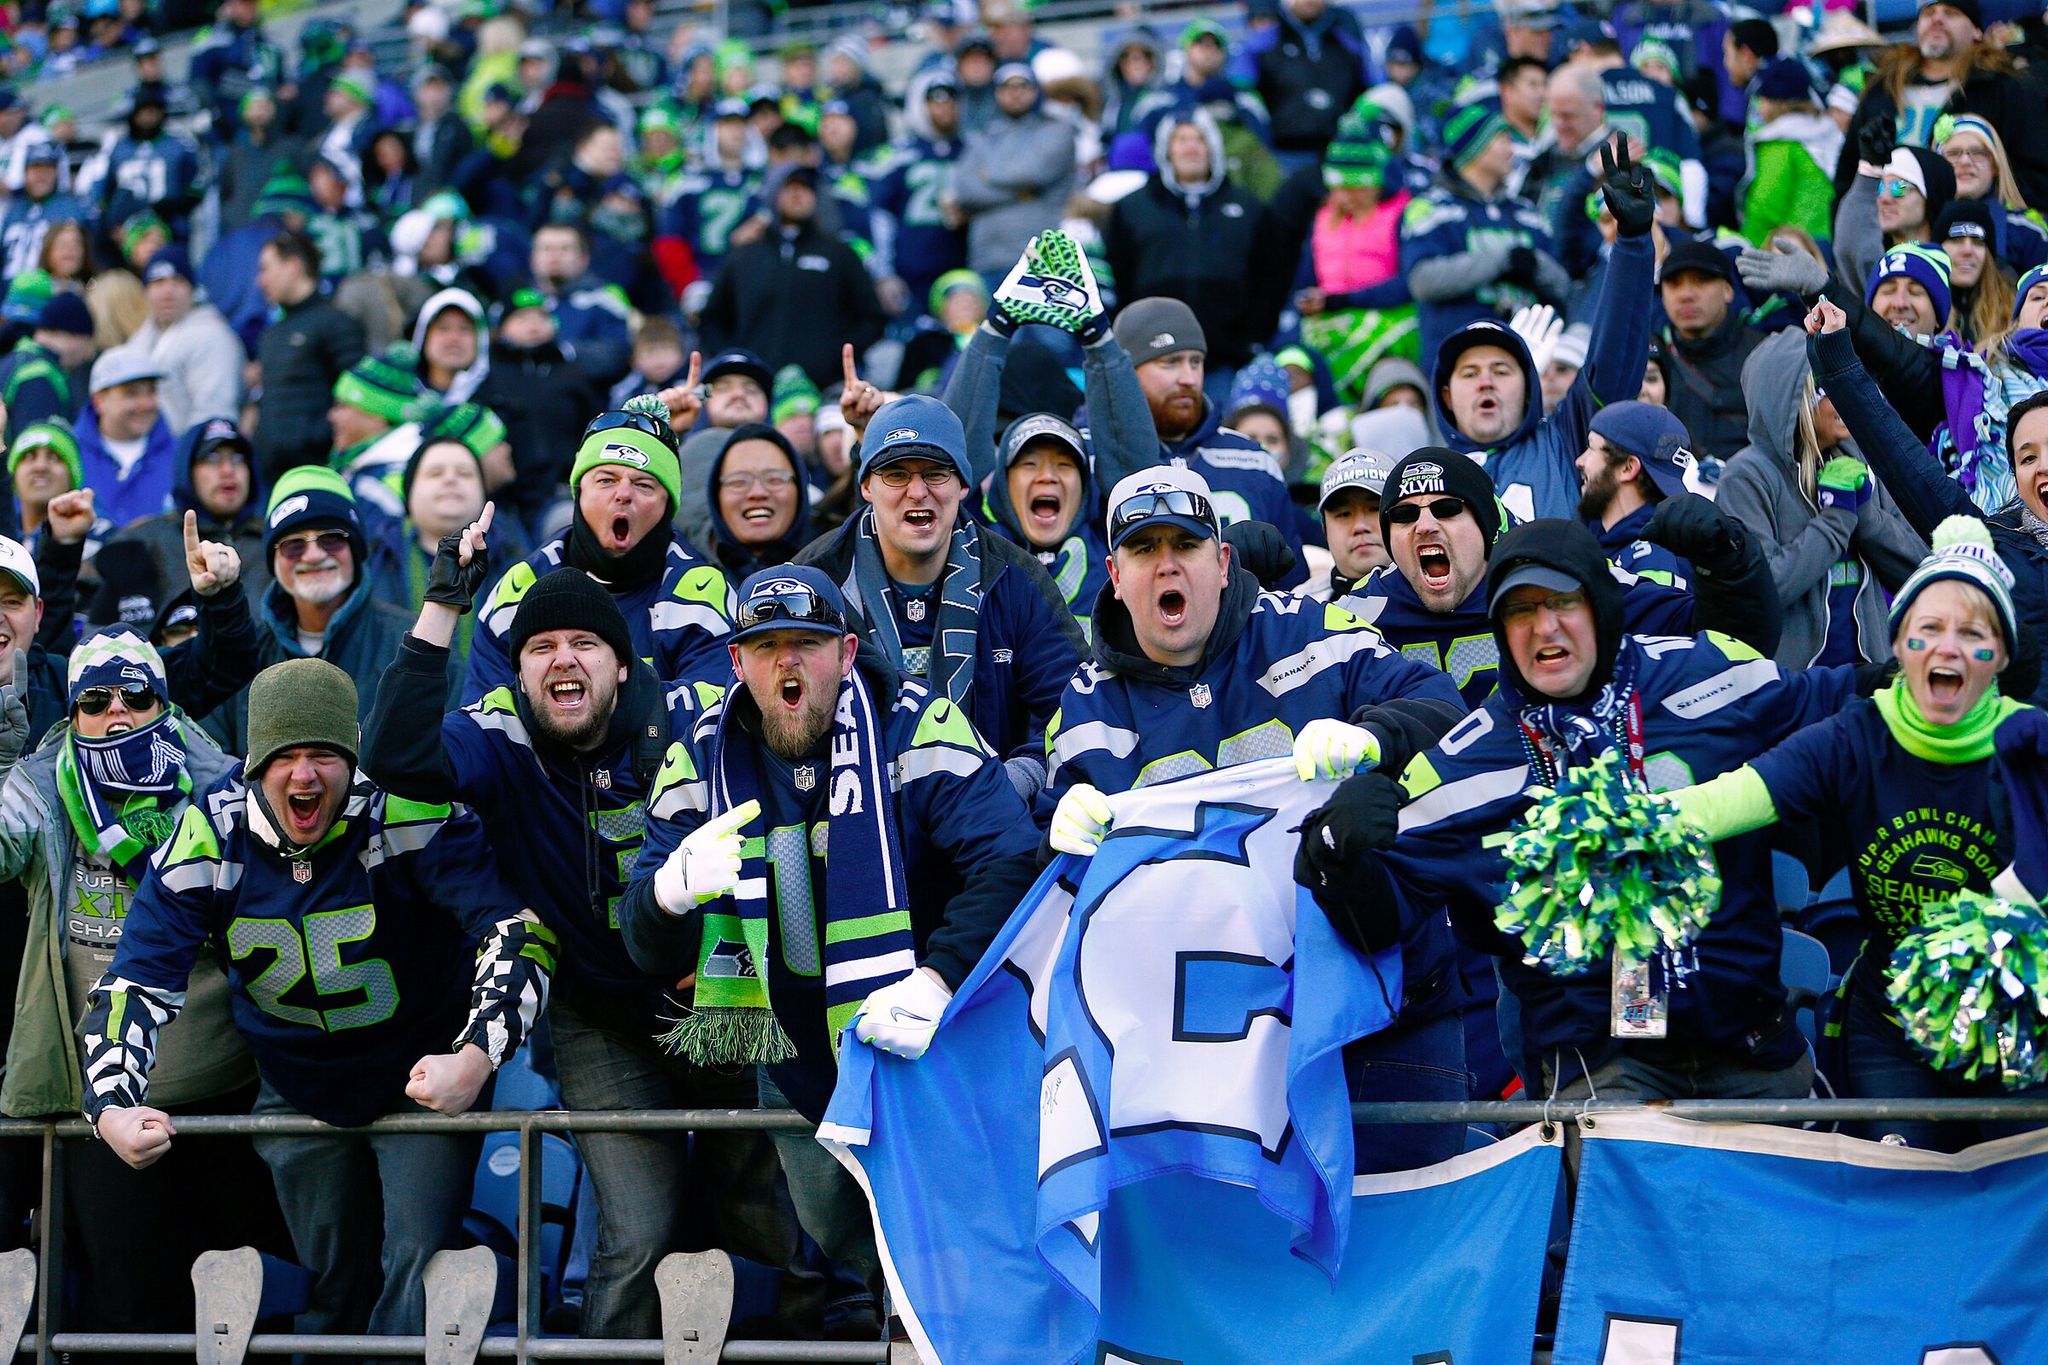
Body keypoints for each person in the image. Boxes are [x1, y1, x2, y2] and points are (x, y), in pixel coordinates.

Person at [365, 533, 807, 1340]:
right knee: (640, 1226)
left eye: (584, 642)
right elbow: (394, 752)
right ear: (519, 670)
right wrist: (441, 607)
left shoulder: (689, 722)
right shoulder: (500, 730)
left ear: (625, 665)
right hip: (598, 1013)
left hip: (718, 996)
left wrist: (716, 947)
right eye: (540, 646)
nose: (562, 659)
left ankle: (788, 1351)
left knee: (761, 1207)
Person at [80, 657, 556, 1342]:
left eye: (324, 755)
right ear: (253, 764)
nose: (304, 775)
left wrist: (476, 1056)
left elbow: (520, 933)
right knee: (328, 1274)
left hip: (418, 1069)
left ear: (354, 758)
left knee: (416, 1264)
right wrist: (114, 1106)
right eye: (286, 756)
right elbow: (137, 980)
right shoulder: (210, 832)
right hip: (295, 1078)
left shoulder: (403, 807)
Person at [614, 565, 1042, 1322]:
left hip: (923, 1042)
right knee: (846, 1238)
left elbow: (1010, 856)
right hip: (792, 1056)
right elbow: (645, 944)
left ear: (846, 652)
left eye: (806, 644)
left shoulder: (917, 723)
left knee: (951, 1254)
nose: (787, 663)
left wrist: (938, 978)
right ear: (736, 662)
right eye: (765, 645)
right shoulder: (699, 757)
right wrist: (669, 890)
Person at [1311, 517, 1861, 1106]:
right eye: (1520, 611)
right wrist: (1335, 856)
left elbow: (1849, 709)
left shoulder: (1703, 675)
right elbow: (1380, 911)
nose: (1544, 627)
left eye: (1563, 602)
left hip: (1755, 1049)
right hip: (1606, 1075)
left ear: (1601, 605)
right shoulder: (1469, 762)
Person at [1041, 464, 1470, 1168]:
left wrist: (1375, 735)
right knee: (1251, 1270)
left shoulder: (1314, 632)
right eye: (1144, 550)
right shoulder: (1083, 710)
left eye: (1184, 543)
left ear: (1223, 560)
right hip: (1207, 1059)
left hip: (1382, 1017)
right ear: (1114, 575)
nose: (1167, 564)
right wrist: (1053, 825)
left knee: (1413, 1243)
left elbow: (1444, 707)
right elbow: (1049, 894)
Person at [1671, 518, 2043, 1149]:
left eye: (1972, 634)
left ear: (2001, 656)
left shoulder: (2030, 743)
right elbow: (1733, 797)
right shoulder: (1854, 736)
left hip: (2019, 1017)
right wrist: (1627, 827)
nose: (1947, 649)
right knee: (1902, 1205)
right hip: (1894, 1023)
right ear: (1898, 645)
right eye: (1927, 630)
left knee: (2023, 1208)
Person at [794, 394, 1085, 798]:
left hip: (989, 813)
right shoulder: (814, 581)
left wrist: (1017, 779)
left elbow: (1076, 706)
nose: (917, 491)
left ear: (963, 484)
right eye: (896, 473)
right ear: (865, 485)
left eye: (936, 473)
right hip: (854, 814)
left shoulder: (1014, 577)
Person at [1341, 446, 1782, 710]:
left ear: (1487, 524)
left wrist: (1725, 561)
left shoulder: (1553, 575)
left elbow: (1730, 644)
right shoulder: (1356, 614)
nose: (1425, 526)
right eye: (1403, 516)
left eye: (1447, 509)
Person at [1811, 294, 2048, 704]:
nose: (2043, 466)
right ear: (2015, 475)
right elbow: (1901, 460)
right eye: (2028, 457)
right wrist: (1837, 361)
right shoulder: (1989, 543)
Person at [1429, 140, 1660, 522]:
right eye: (1470, 373)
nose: (1486, 381)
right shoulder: (1425, 481)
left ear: (1529, 387)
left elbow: (1616, 361)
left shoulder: (1568, 440)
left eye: (1502, 371)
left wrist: (1633, 243)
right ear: (1447, 396)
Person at [468, 403, 736, 703]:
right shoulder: (521, 588)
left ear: (666, 506)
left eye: (644, 484)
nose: (623, 493)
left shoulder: (702, 594)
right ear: (579, 492)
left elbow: (711, 726)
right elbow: (483, 723)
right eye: (605, 480)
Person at [1717, 327, 1926, 671]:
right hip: (1795, 691)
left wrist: (1866, 515)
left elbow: (1919, 573)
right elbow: (1768, 588)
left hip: (1871, 678)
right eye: (1828, 386)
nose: (1845, 396)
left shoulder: (1858, 462)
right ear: (1790, 398)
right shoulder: (1747, 477)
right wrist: (1836, 520)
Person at [1401, 102, 1569, 372]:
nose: (1511, 149)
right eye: (1502, 140)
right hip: (1456, 363)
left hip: (1526, 358)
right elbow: (1423, 280)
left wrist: (1534, 264)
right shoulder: (1431, 209)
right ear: (1475, 149)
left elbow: (1562, 285)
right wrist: (1503, 260)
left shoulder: (1526, 213)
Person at [1834, 0, 2048, 211]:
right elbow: (1850, 172)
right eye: (1929, 13)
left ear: (1976, 31)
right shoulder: (1883, 88)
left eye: (1950, 12)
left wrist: (1987, 209)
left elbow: (2034, 171)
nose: (1937, 19)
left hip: (1969, 233)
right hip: (1889, 229)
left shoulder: (2002, 88)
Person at [699, 164, 885, 394]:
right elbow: (711, 320)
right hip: (757, 392)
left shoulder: (839, 253)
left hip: (825, 389)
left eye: (806, 188)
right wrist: (739, 361)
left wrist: (833, 355)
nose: (798, 194)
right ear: (772, 192)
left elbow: (872, 318)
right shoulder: (744, 255)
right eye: (789, 187)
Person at [1105, 109, 1265, 375]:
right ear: (1167, 150)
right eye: (1181, 140)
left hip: (1228, 356)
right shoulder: (1133, 206)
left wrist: (1249, 339)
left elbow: (1267, 274)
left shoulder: (1247, 206)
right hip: (1151, 353)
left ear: (1212, 147)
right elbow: (1119, 273)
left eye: (1199, 139)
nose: (1191, 147)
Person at [247, 467, 413, 720]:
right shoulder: (244, 654)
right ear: (273, 559)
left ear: (356, 550)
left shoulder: (412, 645)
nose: (313, 556)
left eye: (332, 539)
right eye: (294, 545)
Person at [101, 417, 272, 617]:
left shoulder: (276, 540)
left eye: (238, 459)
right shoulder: (145, 539)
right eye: (212, 458)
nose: (228, 470)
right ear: (187, 471)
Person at [253, 230, 366, 477]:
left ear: (293, 266)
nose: (260, 281)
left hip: (322, 471)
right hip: (273, 477)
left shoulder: (335, 323)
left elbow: (357, 395)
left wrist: (316, 439)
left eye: (266, 269)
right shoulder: (272, 334)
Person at [950, 64, 1076, 279]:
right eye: (1007, 87)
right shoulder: (981, 137)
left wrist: (987, 175)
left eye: (1023, 86)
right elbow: (965, 190)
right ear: (997, 93)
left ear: (1035, 91)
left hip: (1043, 257)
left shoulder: (1057, 131)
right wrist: (1022, 193)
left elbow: (1033, 172)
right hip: (986, 258)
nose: (1015, 93)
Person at [1657, 237, 1764, 461]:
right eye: (1675, 283)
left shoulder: (1765, 354)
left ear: (1728, 290)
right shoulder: (1652, 361)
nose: (1686, 294)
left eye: (1701, 280)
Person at [1575, 399, 1699, 587]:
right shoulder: (1609, 543)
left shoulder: (1656, 564)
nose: (1580, 461)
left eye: (1591, 448)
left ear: (1628, 468)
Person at [128, 247, 244, 435]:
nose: (168, 291)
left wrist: (188, 458)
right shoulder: (138, 341)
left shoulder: (212, 336)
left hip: (189, 455)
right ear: (146, 292)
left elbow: (214, 412)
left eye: (178, 281)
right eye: (158, 282)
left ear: (192, 290)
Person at [1237, 0, 1369, 159]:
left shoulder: (1347, 41)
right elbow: (1240, 91)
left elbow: (1371, 93)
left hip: (1342, 154)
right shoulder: (1262, 43)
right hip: (1284, 154)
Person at [1740, 57, 1842, 248]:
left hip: (1792, 251)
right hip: (1828, 247)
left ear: (1772, 101)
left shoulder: (1779, 143)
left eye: (1761, 98)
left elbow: (1765, 209)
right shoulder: (1828, 133)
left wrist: (1746, 251)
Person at [75, 347, 177, 530]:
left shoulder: (181, 456)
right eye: (131, 393)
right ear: (99, 401)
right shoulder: (67, 456)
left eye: (151, 391)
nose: (145, 404)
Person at [702, 423, 811, 579]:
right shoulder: (685, 568)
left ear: (800, 489)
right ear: (715, 495)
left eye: (774, 479)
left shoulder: (835, 562)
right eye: (738, 482)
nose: (757, 493)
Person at [0, 294, 95, 446]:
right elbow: (35, 447)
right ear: (72, 335)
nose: (87, 354)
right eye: (88, 341)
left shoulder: (13, 361)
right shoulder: (39, 376)